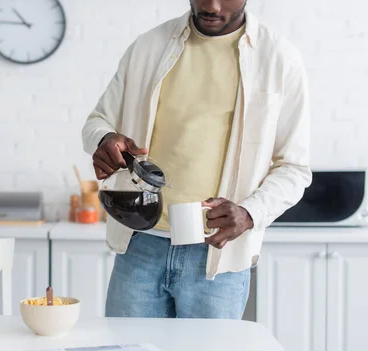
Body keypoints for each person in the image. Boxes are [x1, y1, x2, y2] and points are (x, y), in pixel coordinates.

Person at [81, 0, 311, 319]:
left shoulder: (279, 59)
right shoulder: (148, 47)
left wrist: (249, 212)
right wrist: (104, 139)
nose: (212, 6)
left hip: (217, 257)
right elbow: (97, 121)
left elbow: (294, 167)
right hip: (140, 246)